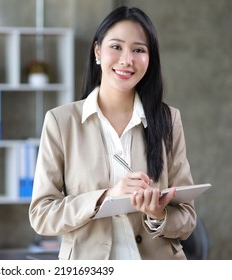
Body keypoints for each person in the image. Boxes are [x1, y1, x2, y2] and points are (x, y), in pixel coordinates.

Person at [28, 6, 196, 260]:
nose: (127, 59)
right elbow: (42, 215)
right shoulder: (60, 122)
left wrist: (158, 216)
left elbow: (188, 217)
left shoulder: (168, 119)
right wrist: (106, 196)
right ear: (97, 50)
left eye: (138, 50)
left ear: (150, 59)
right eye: (116, 46)